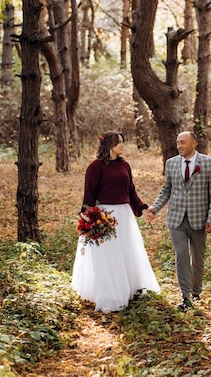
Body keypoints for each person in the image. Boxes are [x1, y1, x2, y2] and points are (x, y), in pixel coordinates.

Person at [71, 131, 160, 313]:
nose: (123, 145)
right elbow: (89, 195)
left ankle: (132, 290)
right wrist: (87, 218)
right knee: (108, 255)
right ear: (109, 144)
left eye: (123, 141)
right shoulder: (95, 167)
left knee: (126, 252)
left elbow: (131, 192)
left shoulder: (124, 165)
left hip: (125, 216)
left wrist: (143, 209)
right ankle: (111, 294)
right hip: (105, 216)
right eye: (119, 142)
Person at [146, 131, 211, 311]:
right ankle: (185, 296)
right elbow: (166, 190)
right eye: (178, 142)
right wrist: (154, 208)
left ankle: (196, 292)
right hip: (176, 218)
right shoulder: (171, 163)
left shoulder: (209, 163)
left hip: (199, 219)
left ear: (194, 143)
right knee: (181, 255)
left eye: (183, 143)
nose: (179, 146)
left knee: (198, 258)